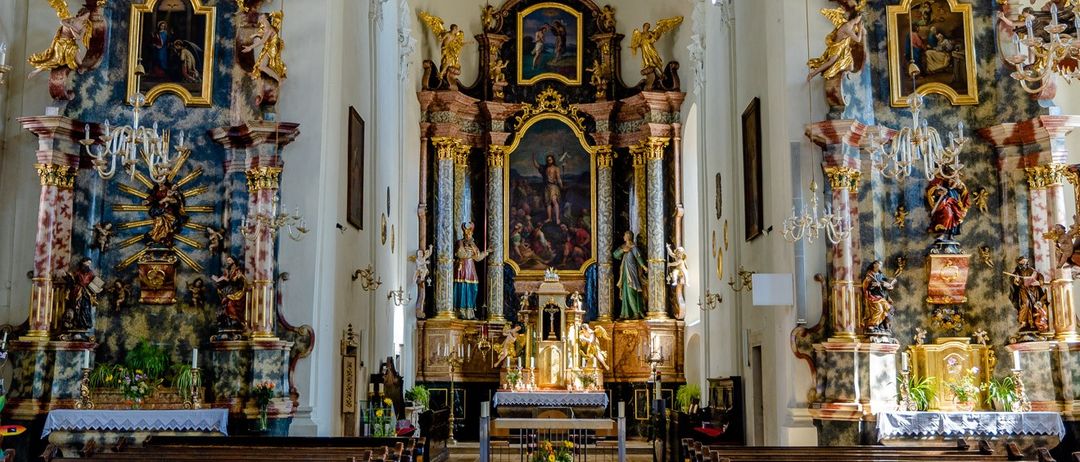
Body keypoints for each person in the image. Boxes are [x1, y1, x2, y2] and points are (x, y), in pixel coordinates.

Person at [28, 7, 93, 78]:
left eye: (88, 16)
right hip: (61, 43)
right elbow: (62, 22)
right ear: (82, 14)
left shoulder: (84, 26)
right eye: (87, 15)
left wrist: (71, 29)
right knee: (54, 60)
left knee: (79, 61)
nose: (87, 17)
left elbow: (79, 37)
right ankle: (36, 71)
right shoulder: (71, 19)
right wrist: (72, 27)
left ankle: (80, 69)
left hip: (71, 44)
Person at [453, 223, 489, 320]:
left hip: (470, 267)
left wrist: (486, 252)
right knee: (462, 288)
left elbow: (477, 258)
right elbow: (460, 254)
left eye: (470, 233)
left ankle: (470, 312)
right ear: (464, 233)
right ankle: (460, 311)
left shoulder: (473, 244)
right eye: (467, 233)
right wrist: (469, 253)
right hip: (462, 266)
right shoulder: (460, 242)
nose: (469, 235)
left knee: (473, 288)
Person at [925, 165, 970, 239]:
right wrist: (939, 192)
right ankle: (942, 233)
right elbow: (932, 190)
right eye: (949, 172)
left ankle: (951, 234)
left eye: (952, 172)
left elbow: (963, 192)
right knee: (947, 215)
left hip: (954, 199)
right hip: (944, 201)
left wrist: (958, 186)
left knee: (955, 215)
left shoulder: (956, 179)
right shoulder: (939, 178)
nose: (950, 175)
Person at [244, 11, 287, 83]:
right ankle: (279, 79)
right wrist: (255, 35)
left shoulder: (269, 29)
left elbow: (262, 41)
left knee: (268, 65)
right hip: (268, 47)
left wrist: (250, 47)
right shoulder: (266, 28)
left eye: (262, 17)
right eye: (260, 17)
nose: (260, 18)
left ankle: (279, 78)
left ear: (266, 19)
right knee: (262, 66)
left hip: (272, 48)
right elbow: (263, 34)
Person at [1009, 256, 1050, 333]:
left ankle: (1033, 323)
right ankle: (1023, 322)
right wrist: (1016, 281)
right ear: (1019, 263)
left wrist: (1039, 282)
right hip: (1023, 291)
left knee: (1034, 306)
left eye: (1025, 263)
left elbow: (1040, 276)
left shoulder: (1032, 270)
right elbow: (1014, 281)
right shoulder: (1017, 272)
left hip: (1034, 290)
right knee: (1025, 304)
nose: (1024, 264)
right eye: (1022, 263)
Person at [614, 231, 646, 319]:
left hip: (632, 273)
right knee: (625, 293)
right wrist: (622, 250)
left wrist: (644, 267)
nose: (623, 236)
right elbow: (615, 255)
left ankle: (636, 313)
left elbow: (638, 257)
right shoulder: (623, 247)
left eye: (624, 235)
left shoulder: (633, 247)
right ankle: (625, 314)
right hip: (624, 273)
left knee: (631, 292)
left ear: (628, 236)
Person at [62, 258, 99, 333]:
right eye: (86, 264)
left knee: (86, 308)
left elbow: (95, 283)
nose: (87, 266)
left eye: (89, 264)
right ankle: (76, 323)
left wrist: (98, 285)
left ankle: (84, 324)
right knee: (76, 307)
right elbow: (71, 281)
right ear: (82, 264)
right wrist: (67, 278)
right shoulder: (77, 272)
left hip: (87, 293)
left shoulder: (91, 273)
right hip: (77, 292)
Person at [213, 256, 247, 332]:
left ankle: (236, 320)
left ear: (234, 261)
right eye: (227, 260)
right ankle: (228, 321)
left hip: (236, 291)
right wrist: (219, 280)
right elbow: (226, 280)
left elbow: (240, 280)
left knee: (230, 304)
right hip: (228, 291)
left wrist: (239, 277)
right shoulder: (228, 270)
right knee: (224, 303)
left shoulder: (238, 270)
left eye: (229, 260)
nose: (228, 261)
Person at [862, 260, 897, 333]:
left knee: (889, 309)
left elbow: (887, 283)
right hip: (873, 297)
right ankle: (872, 325)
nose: (880, 266)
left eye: (881, 265)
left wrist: (889, 285)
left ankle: (883, 326)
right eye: (879, 264)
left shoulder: (881, 275)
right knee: (879, 310)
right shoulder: (869, 275)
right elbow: (866, 286)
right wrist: (873, 285)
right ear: (874, 265)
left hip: (882, 297)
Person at [533, 153, 566, 225]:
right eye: (548, 160)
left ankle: (557, 219)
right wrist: (533, 158)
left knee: (554, 201)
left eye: (550, 160)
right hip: (547, 187)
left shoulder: (556, 168)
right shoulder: (545, 168)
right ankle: (549, 218)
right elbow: (537, 166)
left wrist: (561, 186)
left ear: (553, 160)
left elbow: (559, 178)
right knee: (548, 203)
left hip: (553, 186)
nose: (549, 161)